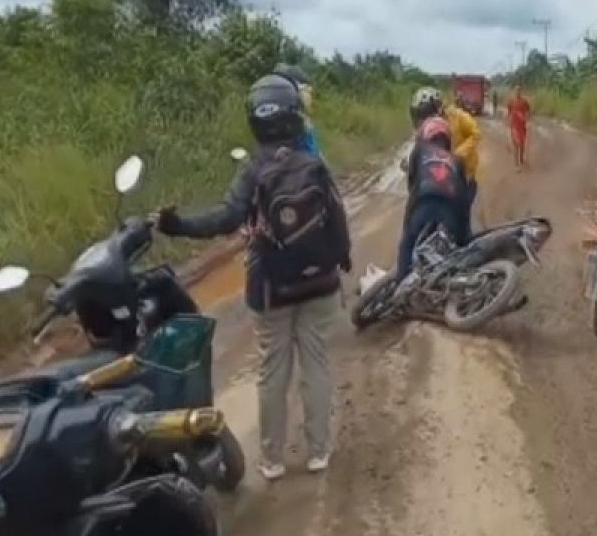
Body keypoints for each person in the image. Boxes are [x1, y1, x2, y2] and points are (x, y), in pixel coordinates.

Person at [153, 74, 352, 480]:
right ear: (295, 114)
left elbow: (225, 218)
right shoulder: (314, 161)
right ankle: (319, 451)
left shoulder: (253, 169)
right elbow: (338, 217)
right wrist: (340, 260)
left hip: (271, 286)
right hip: (320, 283)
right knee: (316, 364)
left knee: (272, 371)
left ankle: (273, 459)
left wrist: (178, 226)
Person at [395, 116, 469, 282]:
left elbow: (412, 187)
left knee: (407, 243)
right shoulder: (458, 161)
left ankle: (400, 282)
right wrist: (465, 239)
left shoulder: (419, 151)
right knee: (458, 251)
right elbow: (464, 202)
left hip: (422, 208)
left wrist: (408, 223)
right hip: (451, 213)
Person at [410, 86, 481, 239]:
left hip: (464, 177)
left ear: (438, 108)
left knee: (462, 221)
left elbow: (476, 134)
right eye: (421, 114)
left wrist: (456, 156)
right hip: (437, 178)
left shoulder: (458, 116)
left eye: (427, 112)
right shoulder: (426, 129)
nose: (425, 118)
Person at [273, 63, 321, 157]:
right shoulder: (290, 121)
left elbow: (316, 153)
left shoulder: (304, 120)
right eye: (307, 90)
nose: (310, 95)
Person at [506, 85, 532, 170]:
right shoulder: (511, 101)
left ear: (521, 92)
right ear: (514, 92)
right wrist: (508, 121)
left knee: (522, 144)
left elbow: (528, 111)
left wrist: (527, 121)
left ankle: (521, 159)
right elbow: (509, 112)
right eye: (516, 90)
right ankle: (516, 165)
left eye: (519, 90)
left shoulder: (524, 101)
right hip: (514, 127)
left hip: (522, 126)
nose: (517, 92)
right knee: (516, 145)